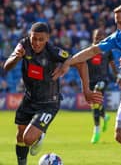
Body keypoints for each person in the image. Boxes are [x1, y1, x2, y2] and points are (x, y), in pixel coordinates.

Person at [53, 4, 121, 165]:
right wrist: (68, 62)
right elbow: (93, 51)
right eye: (116, 23)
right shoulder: (119, 37)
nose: (118, 26)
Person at [3, 22, 102, 165]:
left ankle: (40, 134)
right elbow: (7, 67)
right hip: (30, 98)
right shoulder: (23, 45)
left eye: (41, 39)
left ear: (47, 38)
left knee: (28, 138)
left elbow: (81, 63)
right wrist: (16, 57)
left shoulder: (53, 52)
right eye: (34, 38)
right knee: (20, 136)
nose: (37, 43)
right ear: (29, 36)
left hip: (49, 102)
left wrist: (86, 90)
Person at [87, 28, 121, 144]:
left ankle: (96, 130)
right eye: (96, 37)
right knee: (95, 105)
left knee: (97, 95)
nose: (98, 39)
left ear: (104, 38)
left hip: (103, 79)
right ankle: (105, 116)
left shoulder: (107, 51)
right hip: (91, 81)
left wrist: (118, 76)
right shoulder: (88, 50)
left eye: (100, 37)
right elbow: (82, 64)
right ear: (93, 37)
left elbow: (112, 65)